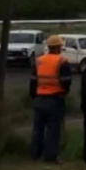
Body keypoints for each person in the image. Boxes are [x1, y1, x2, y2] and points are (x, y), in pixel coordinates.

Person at [29, 35, 72, 163]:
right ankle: (50, 157)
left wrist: (34, 96)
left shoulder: (38, 61)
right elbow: (66, 82)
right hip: (55, 98)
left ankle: (35, 154)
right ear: (59, 47)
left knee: (38, 129)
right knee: (53, 129)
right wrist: (64, 93)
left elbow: (32, 81)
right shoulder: (62, 61)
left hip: (39, 98)